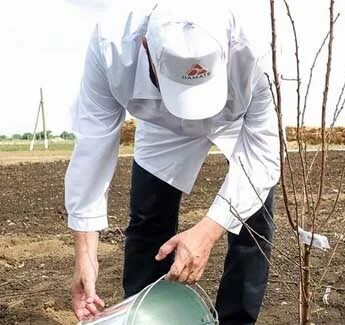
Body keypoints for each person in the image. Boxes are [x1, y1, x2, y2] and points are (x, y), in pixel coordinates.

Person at [65, 1, 280, 324]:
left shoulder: (254, 51)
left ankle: (237, 319)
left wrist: (208, 231)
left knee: (252, 220)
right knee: (149, 217)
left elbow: (263, 155)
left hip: (232, 117)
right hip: (160, 120)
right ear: (146, 46)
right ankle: (143, 317)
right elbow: (93, 145)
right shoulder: (111, 46)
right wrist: (85, 254)